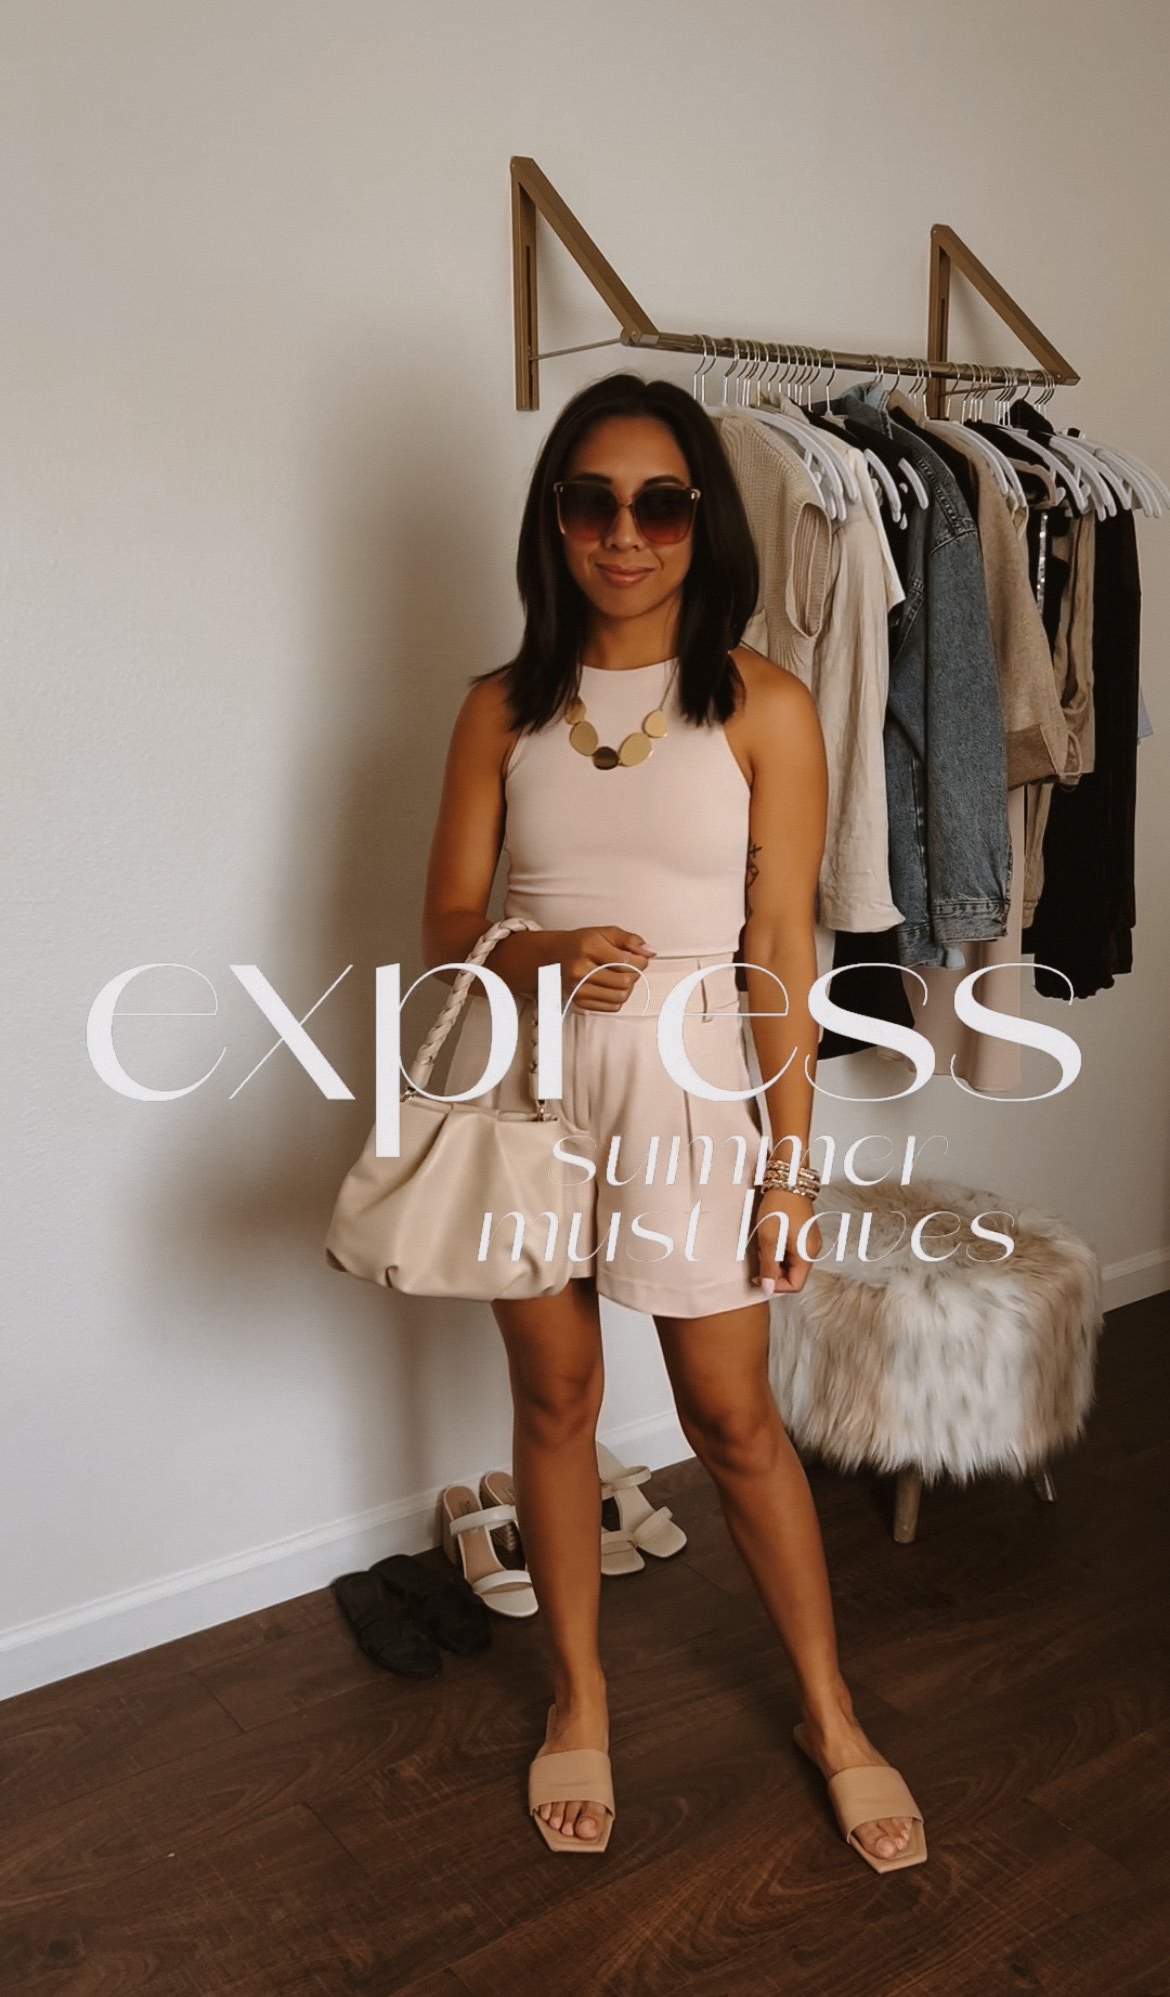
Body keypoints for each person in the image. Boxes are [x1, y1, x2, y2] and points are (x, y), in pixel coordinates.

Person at [419, 371, 925, 1870]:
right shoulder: (499, 709)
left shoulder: (764, 705)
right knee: (556, 1402)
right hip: (528, 1088)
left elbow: (780, 950)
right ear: (553, 521)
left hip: (694, 1091)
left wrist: (791, 1166)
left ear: (705, 522)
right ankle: (578, 1696)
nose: (623, 534)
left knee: (732, 1418)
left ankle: (830, 1713)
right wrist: (540, 950)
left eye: (659, 503)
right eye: (591, 501)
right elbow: (443, 926)